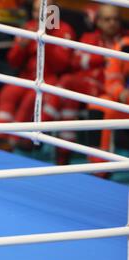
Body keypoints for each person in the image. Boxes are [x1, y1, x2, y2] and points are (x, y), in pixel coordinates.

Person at [0, 0, 75, 152]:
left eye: (43, 11)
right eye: (36, 10)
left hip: (50, 79)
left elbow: (61, 65)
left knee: (31, 98)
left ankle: (14, 140)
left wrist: (45, 39)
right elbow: (13, 61)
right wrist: (22, 46)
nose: (39, 15)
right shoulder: (29, 27)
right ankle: (0, 136)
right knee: (8, 92)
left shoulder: (64, 30)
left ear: (54, 12)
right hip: (27, 77)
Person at [42, 4, 127, 165]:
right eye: (107, 19)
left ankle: (44, 123)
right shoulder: (90, 38)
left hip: (109, 90)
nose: (112, 23)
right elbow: (75, 61)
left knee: (66, 84)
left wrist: (97, 59)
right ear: (99, 21)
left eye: (116, 19)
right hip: (87, 86)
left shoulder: (125, 42)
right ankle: (63, 151)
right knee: (69, 98)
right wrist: (102, 58)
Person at [86, 36, 129, 178]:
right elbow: (112, 78)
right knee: (98, 105)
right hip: (125, 102)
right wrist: (121, 93)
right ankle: (98, 166)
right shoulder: (124, 45)